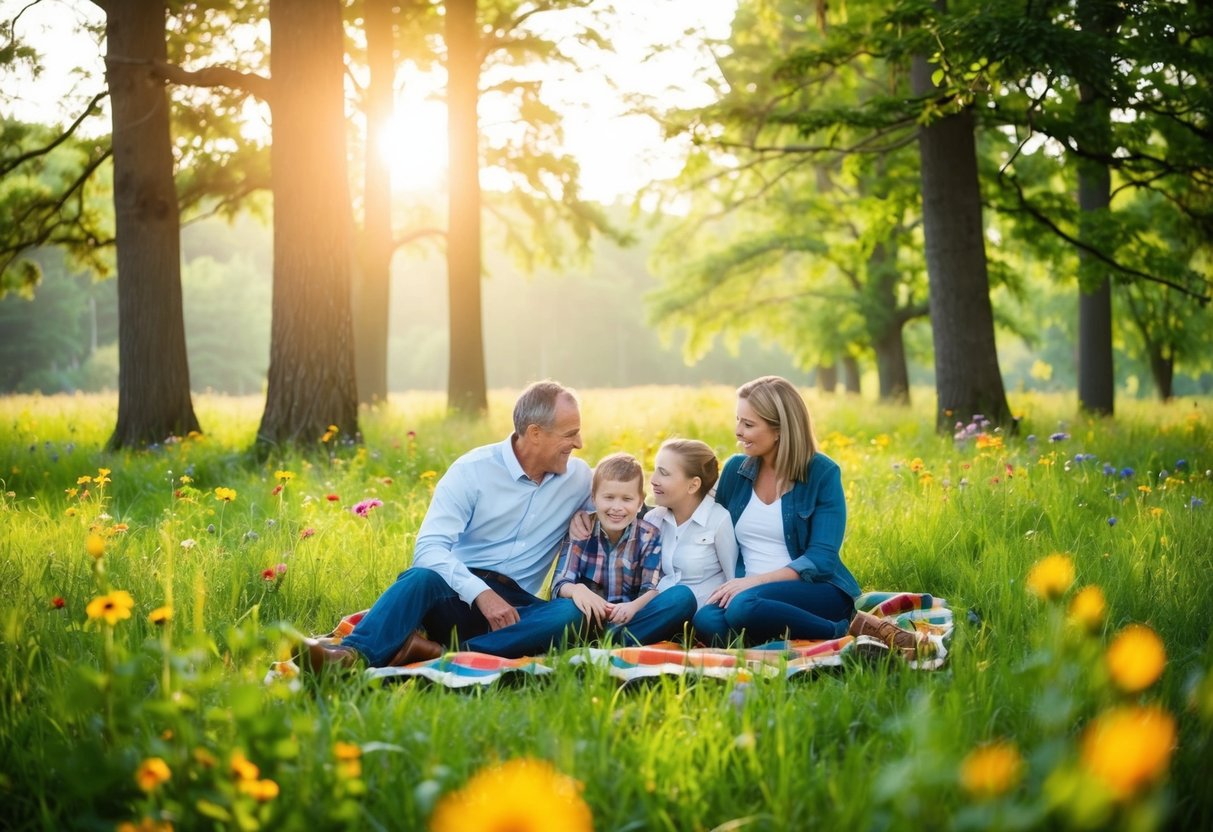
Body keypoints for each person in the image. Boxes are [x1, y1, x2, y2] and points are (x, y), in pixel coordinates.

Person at [304, 380, 594, 670]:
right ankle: (351, 657)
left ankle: (442, 654)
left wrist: (594, 517)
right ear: (535, 433)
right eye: (570, 434)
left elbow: (626, 509)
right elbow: (429, 549)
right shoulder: (472, 471)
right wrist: (480, 592)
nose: (579, 443)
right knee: (420, 577)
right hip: (456, 595)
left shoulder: (579, 478)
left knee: (574, 613)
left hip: (517, 615)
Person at [691, 375, 927, 658]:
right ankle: (788, 640)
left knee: (744, 609)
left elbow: (822, 558)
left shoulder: (822, 473)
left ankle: (844, 628)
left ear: (780, 429)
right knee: (706, 619)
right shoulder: (736, 470)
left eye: (749, 424)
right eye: (738, 420)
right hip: (747, 591)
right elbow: (705, 517)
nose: (738, 432)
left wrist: (753, 583)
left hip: (813, 590)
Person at [551, 452, 697, 646]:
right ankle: (609, 641)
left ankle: (614, 641)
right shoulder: (581, 529)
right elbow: (561, 583)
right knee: (565, 611)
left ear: (639, 502)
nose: (617, 507)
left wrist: (632, 607)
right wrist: (578, 590)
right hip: (586, 617)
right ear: (594, 498)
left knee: (682, 597)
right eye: (609, 497)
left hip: (629, 619)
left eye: (626, 499)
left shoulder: (649, 535)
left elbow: (651, 588)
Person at [645, 438, 738, 611]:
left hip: (702, 609)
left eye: (664, 473)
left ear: (693, 485)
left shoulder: (719, 520)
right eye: (655, 470)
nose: (653, 479)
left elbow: (731, 578)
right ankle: (621, 632)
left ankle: (624, 634)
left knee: (682, 596)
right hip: (662, 607)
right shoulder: (653, 519)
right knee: (674, 597)